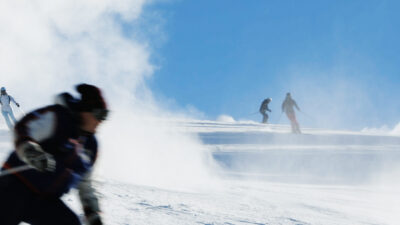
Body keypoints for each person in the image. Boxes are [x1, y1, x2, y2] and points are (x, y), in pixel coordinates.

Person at [0, 83, 108, 225]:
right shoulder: (59, 118)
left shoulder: (90, 146)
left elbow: (86, 183)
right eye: (99, 114)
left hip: (44, 200)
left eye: (105, 115)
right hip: (15, 186)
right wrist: (31, 151)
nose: (100, 121)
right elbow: (25, 127)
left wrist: (92, 213)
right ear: (85, 111)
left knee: (69, 222)